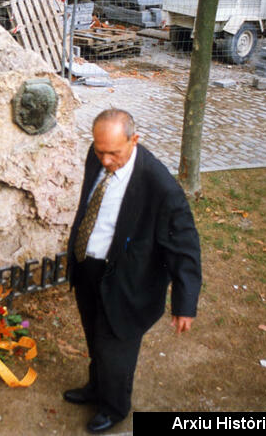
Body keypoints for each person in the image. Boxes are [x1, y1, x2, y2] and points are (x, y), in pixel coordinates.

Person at [65, 109, 201, 433]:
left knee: (116, 348)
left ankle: (115, 407)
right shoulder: (96, 155)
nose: (106, 160)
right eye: (101, 151)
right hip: (89, 266)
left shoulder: (160, 186)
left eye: (114, 153)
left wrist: (184, 304)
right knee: (95, 336)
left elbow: (184, 246)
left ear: (134, 140)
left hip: (129, 281)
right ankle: (96, 388)